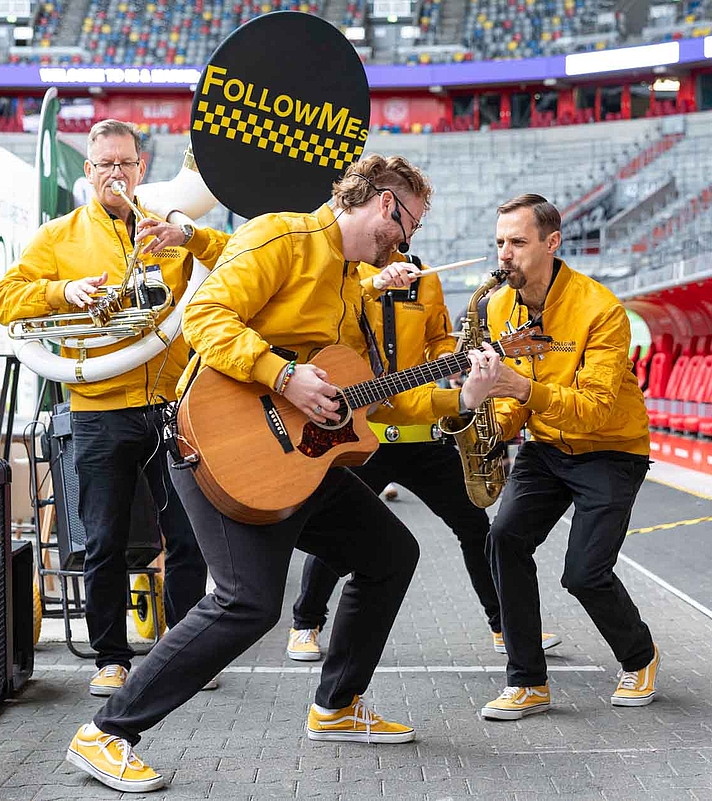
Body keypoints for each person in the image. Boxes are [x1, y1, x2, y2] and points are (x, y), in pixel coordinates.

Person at [65, 155, 457, 793]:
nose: (406, 242)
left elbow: (370, 398)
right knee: (246, 602)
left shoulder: (352, 283)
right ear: (387, 204)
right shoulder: (283, 235)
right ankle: (105, 733)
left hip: (297, 460)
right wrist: (284, 375)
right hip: (220, 445)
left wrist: (462, 397)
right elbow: (205, 317)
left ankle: (335, 708)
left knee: (390, 554)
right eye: (409, 224)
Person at [0, 119, 231, 697]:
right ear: (89, 171)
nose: (116, 173)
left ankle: (183, 655)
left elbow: (235, 261)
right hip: (98, 408)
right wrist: (63, 292)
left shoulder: (168, 223)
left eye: (125, 163)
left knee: (188, 537)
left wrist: (187, 237)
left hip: (171, 405)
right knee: (103, 541)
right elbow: (3, 299)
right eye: (105, 164)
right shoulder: (59, 236)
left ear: (141, 168)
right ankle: (111, 658)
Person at [285, 260, 562, 663]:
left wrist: (453, 362)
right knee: (337, 527)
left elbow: (438, 340)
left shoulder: (427, 278)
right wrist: (374, 283)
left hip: (422, 430)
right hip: (361, 432)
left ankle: (506, 627)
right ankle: (305, 624)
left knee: (474, 526)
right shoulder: (349, 272)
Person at [459, 193, 658, 721]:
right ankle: (527, 682)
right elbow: (512, 398)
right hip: (546, 447)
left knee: (585, 575)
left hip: (610, 449)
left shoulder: (601, 310)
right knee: (503, 540)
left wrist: (522, 390)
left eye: (517, 242)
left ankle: (640, 657)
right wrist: (488, 423)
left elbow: (594, 410)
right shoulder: (497, 307)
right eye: (499, 243)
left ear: (552, 243)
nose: (505, 254)